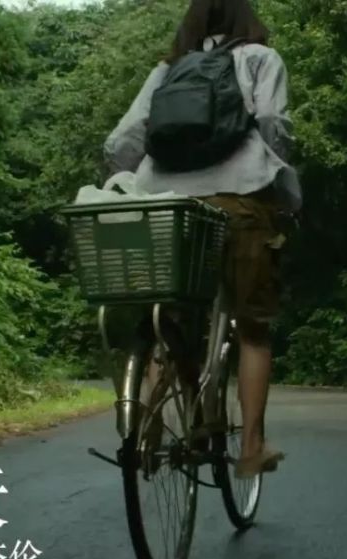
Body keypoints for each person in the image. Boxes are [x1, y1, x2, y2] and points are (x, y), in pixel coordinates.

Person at [103, 0, 301, 478]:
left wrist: (126, 183)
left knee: (170, 318)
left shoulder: (167, 71)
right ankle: (251, 447)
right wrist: (285, 188)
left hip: (168, 204)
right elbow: (274, 126)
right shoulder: (259, 58)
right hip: (242, 199)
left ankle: (149, 420)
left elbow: (122, 140)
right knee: (253, 328)